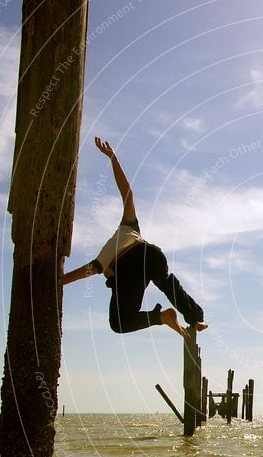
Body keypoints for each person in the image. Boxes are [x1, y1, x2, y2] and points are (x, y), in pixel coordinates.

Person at [63, 137, 208, 341]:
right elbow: (128, 195)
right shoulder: (128, 227)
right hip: (152, 254)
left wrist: (59, 282)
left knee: (118, 323)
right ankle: (195, 318)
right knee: (167, 283)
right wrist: (113, 158)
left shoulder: (103, 263)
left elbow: (84, 273)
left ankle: (161, 317)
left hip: (128, 268)